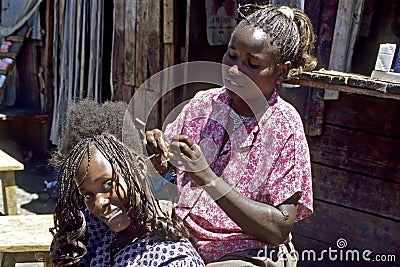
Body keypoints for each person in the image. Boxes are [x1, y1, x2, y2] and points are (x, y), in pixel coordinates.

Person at [144, 4, 317, 266]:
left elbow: (278, 229)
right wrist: (160, 164)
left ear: (281, 71)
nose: (234, 70)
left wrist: (206, 176)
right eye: (232, 56)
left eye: (252, 64)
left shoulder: (283, 126)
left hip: (246, 254)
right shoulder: (203, 104)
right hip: (185, 242)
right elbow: (173, 183)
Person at [50, 134, 205, 266]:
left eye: (108, 184)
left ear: (138, 167)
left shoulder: (173, 259)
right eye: (88, 195)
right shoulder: (98, 232)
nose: (99, 203)